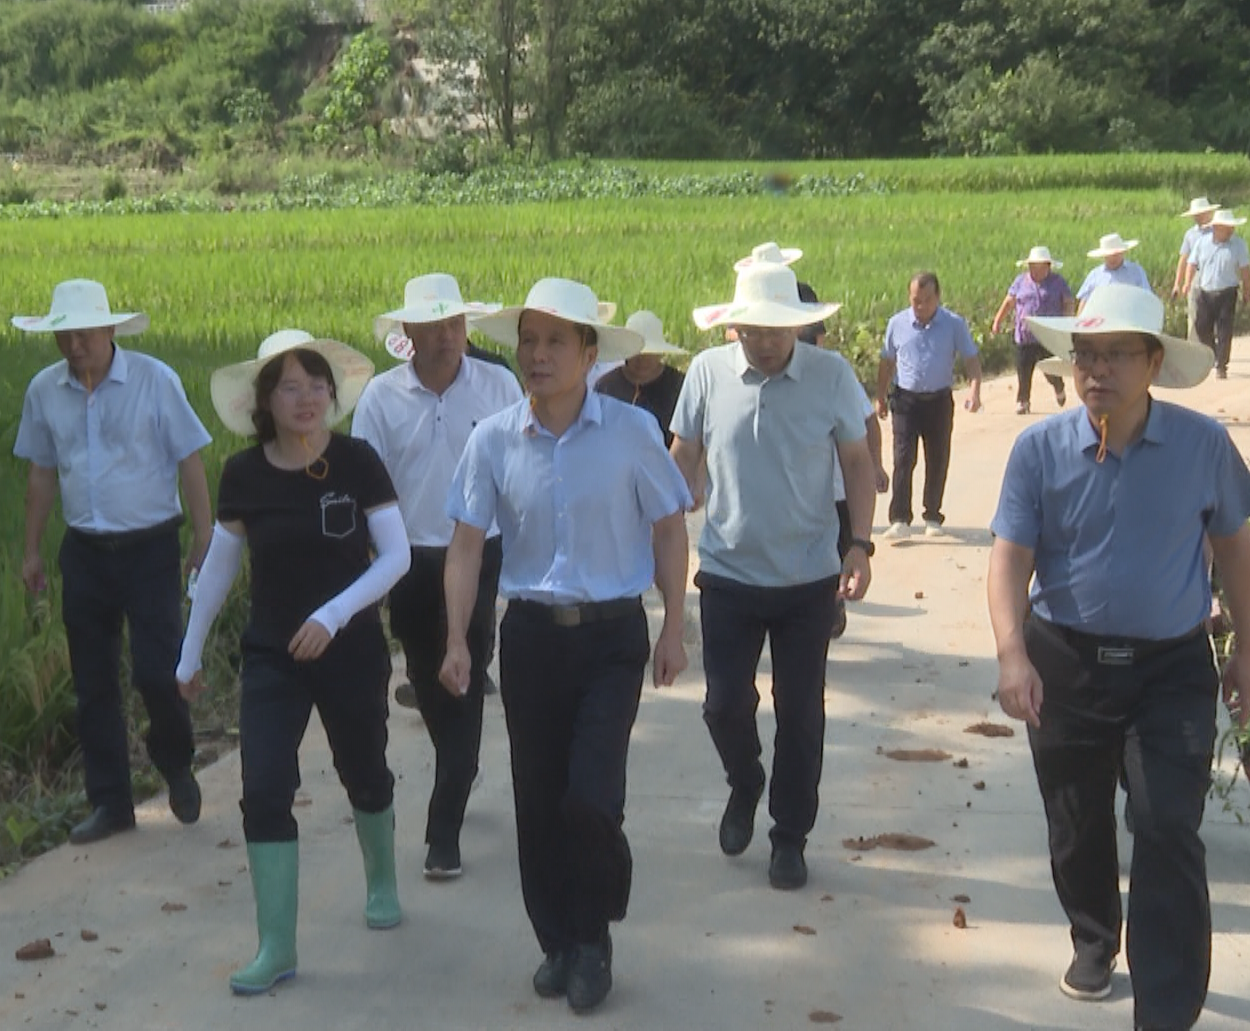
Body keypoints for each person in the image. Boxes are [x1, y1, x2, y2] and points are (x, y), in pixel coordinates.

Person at [988, 283, 1250, 1031]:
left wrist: (1249, 651)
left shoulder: (1203, 445)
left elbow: (1237, 551)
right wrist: (1013, 653)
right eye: (1085, 355)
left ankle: (1167, 1006)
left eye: (1115, 355)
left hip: (1172, 667)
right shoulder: (1038, 451)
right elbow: (1010, 558)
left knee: (1167, 821)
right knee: (1076, 821)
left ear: (1152, 362)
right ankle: (1094, 935)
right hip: (1065, 661)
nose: (1097, 370)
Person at [440, 278, 692, 1014]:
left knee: (590, 798)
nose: (538, 355)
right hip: (530, 641)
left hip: (612, 638)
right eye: (528, 340)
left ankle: (593, 938)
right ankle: (556, 940)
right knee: (538, 800)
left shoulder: (631, 433)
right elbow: (463, 545)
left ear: (589, 353)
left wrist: (673, 626)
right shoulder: (492, 439)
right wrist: (458, 639)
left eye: (555, 342)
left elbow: (670, 528)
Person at [176, 329, 408, 996]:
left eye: (317, 385)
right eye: (290, 387)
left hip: (350, 647)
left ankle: (382, 879)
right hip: (273, 654)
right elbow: (219, 568)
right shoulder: (244, 474)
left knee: (363, 768)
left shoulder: (359, 462)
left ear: (333, 396)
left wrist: (332, 616)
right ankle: (275, 944)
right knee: (265, 786)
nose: (307, 398)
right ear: (264, 401)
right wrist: (189, 653)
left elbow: (393, 558)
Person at [673, 263, 877, 892]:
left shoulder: (830, 376)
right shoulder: (707, 373)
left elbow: (857, 458)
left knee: (802, 715)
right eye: (752, 329)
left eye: (777, 330)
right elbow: (682, 454)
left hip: (807, 578)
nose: (764, 342)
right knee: (723, 704)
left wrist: (861, 545)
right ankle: (745, 780)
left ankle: (790, 835)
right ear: (734, 326)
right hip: (729, 571)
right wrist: (661, 517)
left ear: (798, 328)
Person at [11, 278, 211, 845]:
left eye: (85, 335)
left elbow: (189, 458)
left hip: (150, 546)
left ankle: (174, 761)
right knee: (93, 680)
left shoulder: (154, 380)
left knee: (158, 670)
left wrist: (204, 532)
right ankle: (111, 802)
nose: (75, 346)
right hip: (85, 551)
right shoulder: (44, 391)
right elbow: (42, 474)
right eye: (64, 337)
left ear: (109, 330)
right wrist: (30, 549)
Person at [353, 274, 523, 880]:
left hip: (479, 547)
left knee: (467, 668)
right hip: (409, 556)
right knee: (427, 676)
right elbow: (364, 484)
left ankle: (442, 828)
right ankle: (460, 757)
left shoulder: (499, 386)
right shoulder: (380, 398)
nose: (449, 337)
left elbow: (523, 467)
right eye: (435, 326)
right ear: (409, 334)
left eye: (456, 325)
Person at [796, 319, 887, 639]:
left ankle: (831, 603)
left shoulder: (834, 374)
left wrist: (875, 464)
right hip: (801, 495)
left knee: (836, 552)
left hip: (840, 491)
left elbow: (868, 420)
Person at [875, 271, 983, 541]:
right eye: (915, 300)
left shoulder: (954, 324)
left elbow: (971, 359)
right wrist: (880, 396)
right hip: (905, 400)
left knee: (937, 458)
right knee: (902, 458)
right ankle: (900, 517)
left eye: (926, 300)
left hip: (938, 401)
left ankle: (933, 515)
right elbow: (886, 362)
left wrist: (975, 391)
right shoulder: (896, 324)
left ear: (938, 297)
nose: (921, 306)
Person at [991, 246, 1073, 413]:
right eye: (1032, 266)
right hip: (1025, 335)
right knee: (1023, 370)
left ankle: (1058, 386)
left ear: (1048, 266)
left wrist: (1067, 324)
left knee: (1050, 369)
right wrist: (997, 321)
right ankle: (1023, 401)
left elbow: (1068, 302)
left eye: (1039, 266)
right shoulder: (1020, 281)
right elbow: (1009, 302)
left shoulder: (1057, 282)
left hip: (1047, 334)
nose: (1035, 270)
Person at [594, 310, 687, 446]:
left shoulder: (679, 386)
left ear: (660, 353)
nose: (642, 359)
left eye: (649, 353)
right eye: (636, 352)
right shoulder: (606, 386)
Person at [1182, 209, 1250, 379]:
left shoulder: (1239, 245)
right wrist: (1186, 283)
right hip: (1205, 291)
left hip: (1227, 292)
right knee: (1201, 326)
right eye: (1226, 228)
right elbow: (1191, 263)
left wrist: (1247, 290)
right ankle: (1214, 354)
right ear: (1216, 228)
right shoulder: (1202, 243)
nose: (1230, 231)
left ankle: (1222, 365)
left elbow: (1245, 269)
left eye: (1231, 228)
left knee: (1224, 329)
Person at [1172, 197, 1220, 341]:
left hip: (1214, 275)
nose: (1198, 217)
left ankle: (1213, 344)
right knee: (1194, 312)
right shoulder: (1190, 234)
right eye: (1196, 215)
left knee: (1214, 312)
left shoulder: (1218, 231)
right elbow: (1184, 259)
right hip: (1194, 275)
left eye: (1201, 213)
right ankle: (1194, 345)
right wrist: (1177, 283)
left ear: (1209, 213)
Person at [1077, 233, 1153, 313]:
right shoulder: (1094, 275)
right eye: (1109, 255)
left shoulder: (1136, 271)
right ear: (1104, 256)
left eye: (1116, 255)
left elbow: (1147, 297)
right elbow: (1084, 302)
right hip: (1102, 321)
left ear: (1123, 253)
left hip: (1130, 319)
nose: (1113, 259)